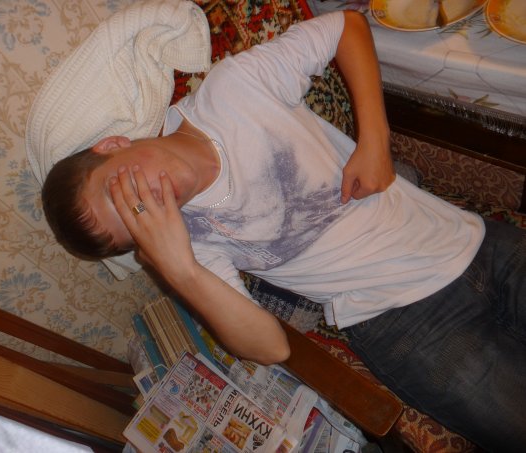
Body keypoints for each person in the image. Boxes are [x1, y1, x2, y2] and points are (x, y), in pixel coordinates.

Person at [37, 8, 526, 451]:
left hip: (474, 241)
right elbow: (271, 347)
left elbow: (348, 26)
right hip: (404, 323)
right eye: (137, 219)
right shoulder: (187, 246)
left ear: (113, 145)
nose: (149, 199)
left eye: (121, 190)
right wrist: (179, 268)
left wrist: (375, 140)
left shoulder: (232, 92)